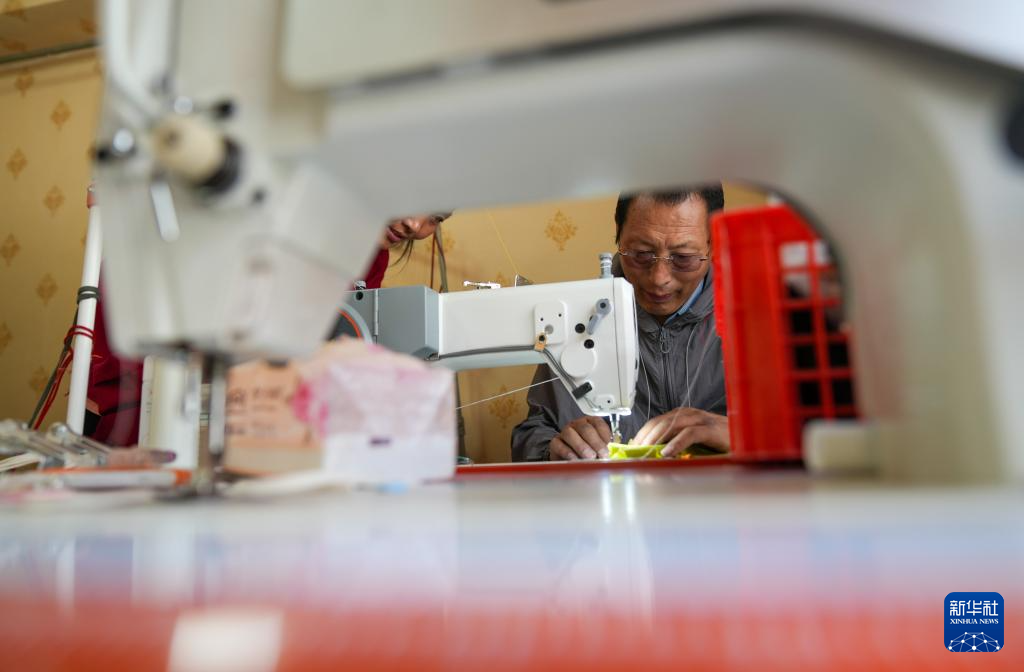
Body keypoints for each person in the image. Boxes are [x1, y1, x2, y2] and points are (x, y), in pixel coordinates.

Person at [85, 213, 448, 446]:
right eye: (415, 202)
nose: (415, 225)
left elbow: (338, 335)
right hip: (154, 400)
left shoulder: (372, 255)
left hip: (258, 413)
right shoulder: (267, 217)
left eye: (434, 218)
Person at [510, 186, 729, 461]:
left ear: (714, 241)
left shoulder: (758, 314)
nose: (659, 278)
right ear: (619, 233)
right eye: (641, 254)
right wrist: (551, 450)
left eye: (683, 258)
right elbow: (533, 433)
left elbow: (786, 431)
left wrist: (740, 435)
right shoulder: (579, 317)